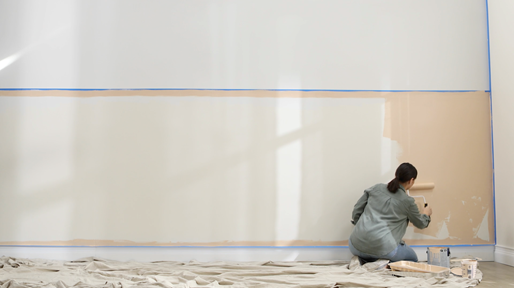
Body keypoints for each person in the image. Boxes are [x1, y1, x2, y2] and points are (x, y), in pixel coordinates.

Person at [349, 162, 432, 263]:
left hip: (355, 245)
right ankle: (381, 264)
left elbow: (356, 211)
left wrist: (364, 229)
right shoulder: (408, 202)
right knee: (412, 258)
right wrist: (426, 214)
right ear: (411, 180)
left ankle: (366, 260)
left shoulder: (376, 188)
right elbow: (421, 223)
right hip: (383, 249)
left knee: (374, 251)